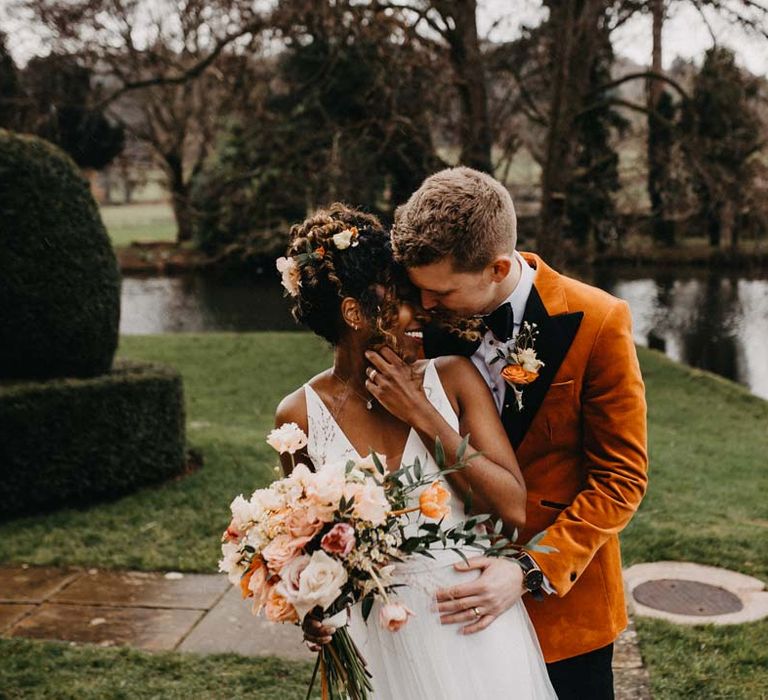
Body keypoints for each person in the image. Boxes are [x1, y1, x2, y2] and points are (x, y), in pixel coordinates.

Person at [367, 166, 648, 699]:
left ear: (497, 267)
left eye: (441, 293)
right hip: (444, 609)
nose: (424, 308)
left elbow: (621, 481)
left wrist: (528, 569)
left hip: (563, 615)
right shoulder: (420, 317)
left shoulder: (600, 321)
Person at [274, 203, 556, 699]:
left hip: (472, 627)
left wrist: (421, 413)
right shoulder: (297, 417)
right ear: (354, 312)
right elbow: (305, 547)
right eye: (400, 298)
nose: (422, 309)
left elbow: (512, 507)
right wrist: (311, 609)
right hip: (377, 644)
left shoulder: (452, 379)